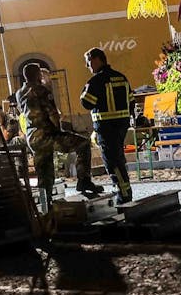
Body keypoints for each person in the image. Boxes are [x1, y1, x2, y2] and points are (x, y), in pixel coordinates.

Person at [16, 62, 101, 208]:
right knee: (83, 143)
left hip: (33, 138)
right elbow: (52, 114)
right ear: (37, 75)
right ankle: (83, 180)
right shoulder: (42, 90)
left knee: (44, 172)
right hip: (48, 135)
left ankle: (44, 204)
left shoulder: (19, 93)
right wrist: (60, 131)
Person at [80, 48, 133, 204]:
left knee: (112, 161)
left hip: (106, 127)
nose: (87, 66)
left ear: (96, 60)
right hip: (122, 125)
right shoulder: (121, 77)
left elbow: (86, 102)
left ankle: (123, 193)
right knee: (118, 158)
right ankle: (124, 191)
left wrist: (85, 89)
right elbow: (131, 100)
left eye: (88, 62)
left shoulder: (96, 81)